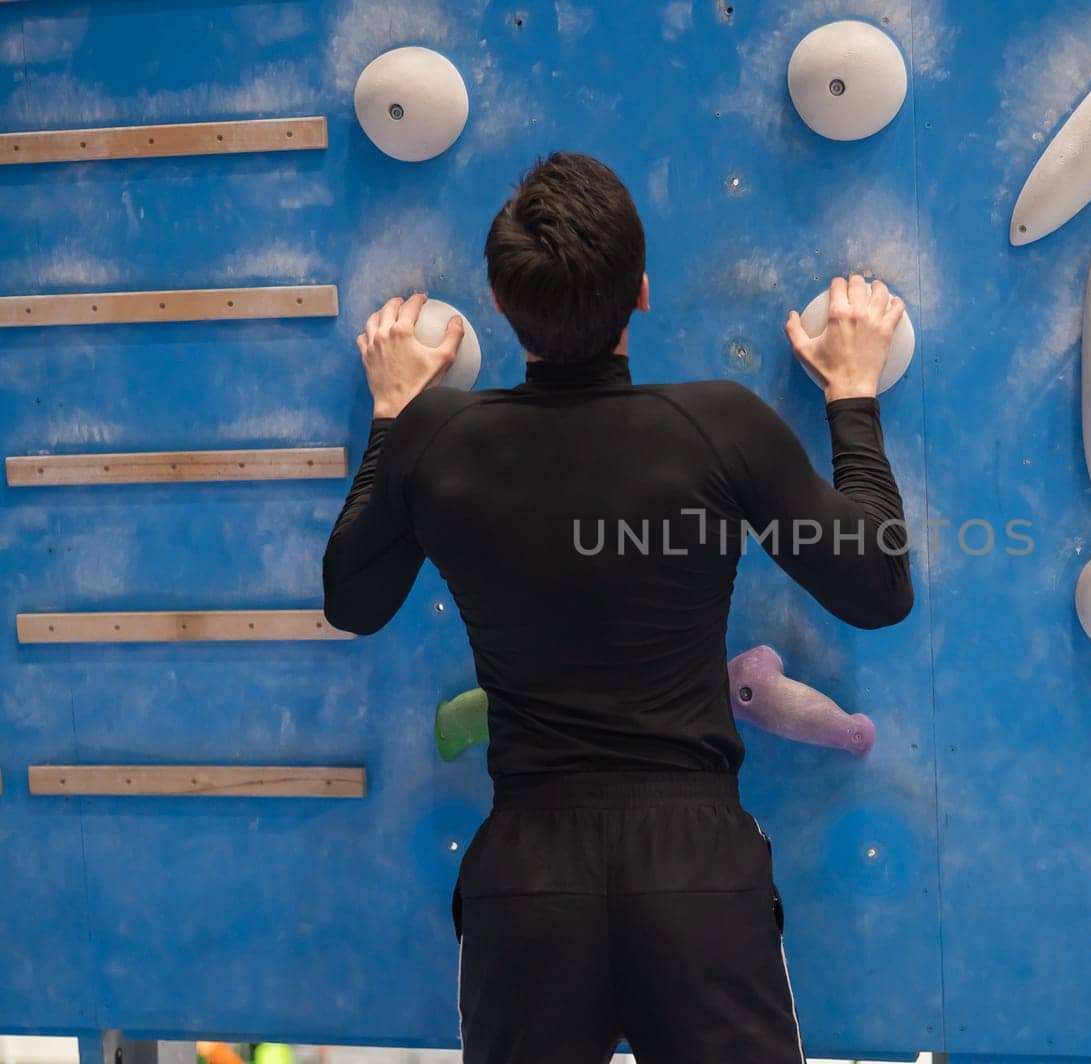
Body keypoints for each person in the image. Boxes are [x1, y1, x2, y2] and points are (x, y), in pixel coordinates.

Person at [321, 152, 913, 1064]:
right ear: (641, 291)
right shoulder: (720, 425)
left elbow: (352, 602)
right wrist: (853, 396)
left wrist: (394, 415)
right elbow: (879, 590)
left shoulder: (438, 440)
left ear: (500, 299)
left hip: (528, 883)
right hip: (695, 876)